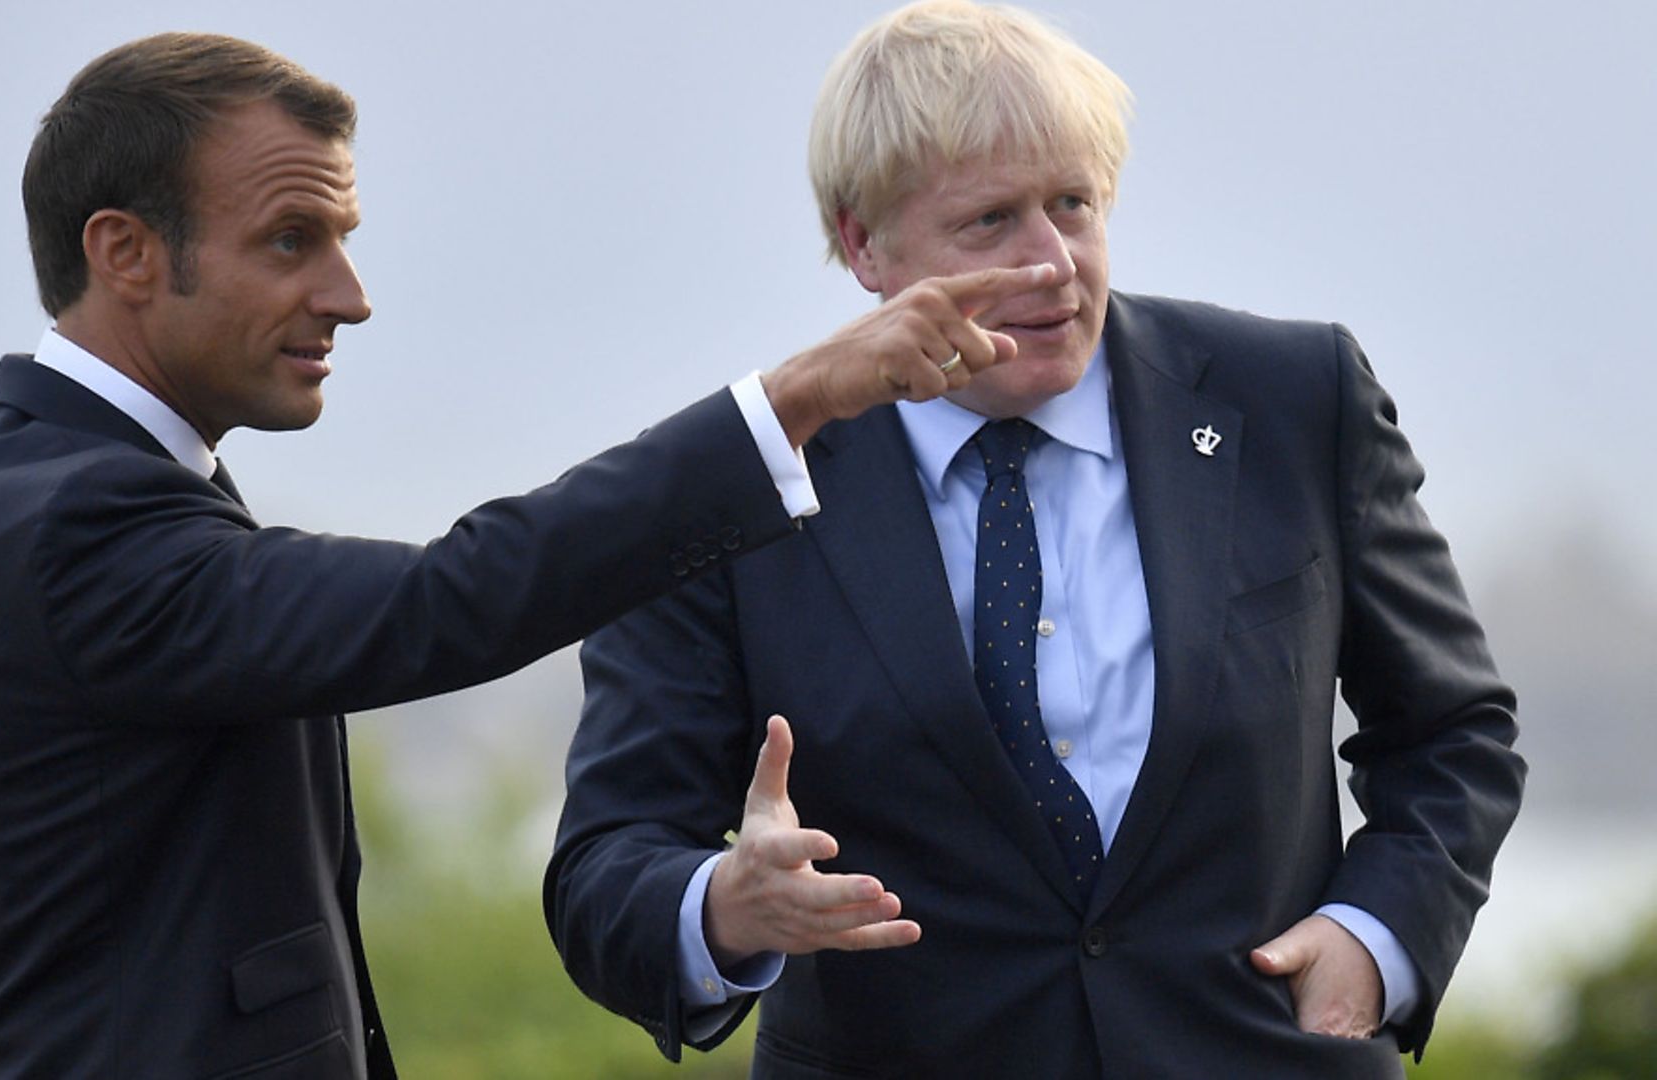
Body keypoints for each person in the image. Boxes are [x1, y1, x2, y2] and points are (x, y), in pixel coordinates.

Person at [0, 31, 1058, 1080]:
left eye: (343, 237)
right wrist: (797, 398)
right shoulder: (69, 526)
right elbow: (445, 601)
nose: (349, 296)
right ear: (125, 253)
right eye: (292, 239)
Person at [544, 3, 1526, 1076]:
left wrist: (1376, 941)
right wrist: (724, 908)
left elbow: (1453, 732)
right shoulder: (726, 488)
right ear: (861, 241)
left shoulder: (1296, 400)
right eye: (992, 222)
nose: (1054, 262)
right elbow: (604, 867)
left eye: (1075, 204)